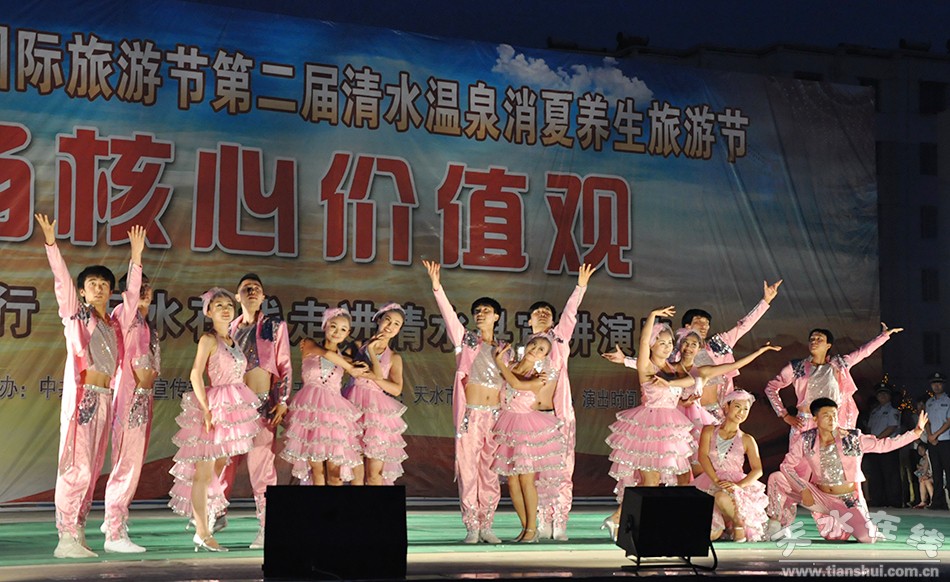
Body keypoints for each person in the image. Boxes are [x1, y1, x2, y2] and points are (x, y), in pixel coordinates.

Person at [602, 306, 779, 539]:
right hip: (650, 426)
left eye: (669, 343)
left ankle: (644, 521)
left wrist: (760, 352)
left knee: (675, 479)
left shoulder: (675, 370)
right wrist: (653, 316)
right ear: (653, 345)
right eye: (662, 343)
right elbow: (643, 343)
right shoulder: (647, 366)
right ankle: (622, 520)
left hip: (674, 429)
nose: (667, 347)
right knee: (651, 480)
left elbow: (730, 367)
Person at [36, 214, 144, 559]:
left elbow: (132, 298)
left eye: (103, 284)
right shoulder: (76, 315)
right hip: (83, 399)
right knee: (76, 468)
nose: (98, 287)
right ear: (83, 291)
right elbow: (61, 281)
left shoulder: (114, 322)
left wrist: (136, 258)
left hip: (105, 400)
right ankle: (65, 537)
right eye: (92, 283)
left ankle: (78, 531)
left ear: (110, 291)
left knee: (93, 469)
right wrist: (51, 244)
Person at [602, 280, 781, 423]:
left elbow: (743, 327)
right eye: (698, 322)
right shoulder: (677, 352)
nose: (704, 326)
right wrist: (625, 360)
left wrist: (765, 301)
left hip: (718, 411)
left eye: (707, 323)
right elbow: (653, 365)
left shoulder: (719, 345)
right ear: (687, 326)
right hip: (688, 410)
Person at [168, 288, 261, 552]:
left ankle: (204, 516)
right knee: (204, 471)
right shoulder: (209, 339)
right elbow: (195, 374)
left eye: (229, 305)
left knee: (218, 468)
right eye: (218, 305)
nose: (225, 309)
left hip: (231, 409)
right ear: (208, 312)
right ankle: (202, 532)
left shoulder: (233, 340)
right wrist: (206, 410)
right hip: (213, 407)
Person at [424, 259, 509, 544]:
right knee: (468, 469)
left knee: (490, 471)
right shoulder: (467, 341)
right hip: (471, 415)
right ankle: (472, 525)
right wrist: (437, 287)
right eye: (477, 311)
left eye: (486, 310)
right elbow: (449, 316)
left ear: (497, 316)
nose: (480, 314)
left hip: (495, 417)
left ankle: (487, 524)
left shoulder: (504, 349)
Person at [766, 397, 928, 542]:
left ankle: (858, 524)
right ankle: (777, 524)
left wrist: (915, 433)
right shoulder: (806, 439)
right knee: (777, 478)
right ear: (815, 418)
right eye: (826, 415)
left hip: (846, 500)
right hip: (819, 496)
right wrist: (803, 489)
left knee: (864, 538)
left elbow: (884, 445)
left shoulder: (852, 438)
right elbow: (786, 466)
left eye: (834, 415)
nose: (832, 419)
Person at [220, 273, 293, 549]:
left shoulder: (274, 327)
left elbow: (284, 365)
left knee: (262, 470)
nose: (252, 291)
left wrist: (282, 400)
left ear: (263, 297)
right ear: (237, 296)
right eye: (246, 288)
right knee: (223, 464)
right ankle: (215, 513)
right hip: (233, 407)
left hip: (263, 406)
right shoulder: (228, 329)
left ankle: (266, 528)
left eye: (256, 288)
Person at [528, 263, 595, 541]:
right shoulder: (524, 350)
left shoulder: (559, 338)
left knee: (563, 469)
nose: (542, 314)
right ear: (529, 321)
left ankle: (560, 521)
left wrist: (580, 287)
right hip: (533, 418)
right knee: (537, 471)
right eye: (537, 312)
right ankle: (543, 519)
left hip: (560, 415)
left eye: (547, 312)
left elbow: (570, 313)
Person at [764, 324, 903, 443]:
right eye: (812, 339)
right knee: (800, 463)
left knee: (833, 462)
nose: (814, 341)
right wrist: (785, 415)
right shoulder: (796, 367)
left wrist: (884, 336)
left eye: (819, 339)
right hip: (805, 423)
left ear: (828, 345)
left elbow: (863, 352)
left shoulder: (838, 365)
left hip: (833, 424)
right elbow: (771, 388)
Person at [101, 270, 159, 553]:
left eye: (148, 286)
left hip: (143, 398)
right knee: (126, 464)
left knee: (131, 463)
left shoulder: (145, 322)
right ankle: (114, 532)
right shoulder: (124, 313)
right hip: (128, 396)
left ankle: (112, 518)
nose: (144, 290)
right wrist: (137, 257)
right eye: (139, 286)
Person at [491, 339, 567, 543]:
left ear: (544, 356)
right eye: (534, 345)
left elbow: (516, 384)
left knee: (526, 479)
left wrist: (499, 364)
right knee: (512, 480)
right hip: (509, 425)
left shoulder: (539, 376)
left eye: (541, 349)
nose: (535, 350)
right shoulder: (511, 366)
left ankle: (532, 528)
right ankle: (526, 527)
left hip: (526, 428)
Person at [281, 307, 367, 486]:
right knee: (316, 470)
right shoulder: (309, 344)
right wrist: (350, 368)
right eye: (333, 326)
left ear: (348, 333)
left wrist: (367, 354)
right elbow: (327, 354)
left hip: (334, 416)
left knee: (335, 473)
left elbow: (371, 373)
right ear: (325, 325)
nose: (337, 332)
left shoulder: (345, 360)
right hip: (311, 412)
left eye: (343, 329)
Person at [344, 302, 409, 486]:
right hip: (353, 405)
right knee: (355, 473)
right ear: (378, 320)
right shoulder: (357, 346)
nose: (390, 326)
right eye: (387, 320)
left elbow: (396, 389)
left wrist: (374, 377)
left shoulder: (394, 357)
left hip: (377, 412)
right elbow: (342, 364)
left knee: (374, 475)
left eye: (396, 324)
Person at [694, 390, 769, 542]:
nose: (741, 412)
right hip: (711, 480)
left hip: (735, 484)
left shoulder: (747, 439)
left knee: (721, 496)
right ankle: (724, 527)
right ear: (726, 407)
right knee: (710, 535)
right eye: (737, 407)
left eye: (746, 409)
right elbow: (703, 457)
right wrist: (715, 480)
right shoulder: (709, 431)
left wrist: (738, 486)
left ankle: (737, 523)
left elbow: (758, 470)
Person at [862, 384, 902, 507]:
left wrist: (877, 439)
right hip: (874, 447)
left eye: (885, 393)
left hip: (887, 445)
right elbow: (869, 428)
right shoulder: (874, 411)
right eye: (880, 394)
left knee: (890, 474)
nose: (882, 396)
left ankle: (893, 501)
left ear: (889, 396)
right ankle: (878, 500)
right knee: (876, 474)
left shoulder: (893, 411)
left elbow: (892, 427)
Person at [924, 371, 950, 510]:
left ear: (943, 385)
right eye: (934, 383)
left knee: (948, 471)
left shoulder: (948, 400)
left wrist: (935, 435)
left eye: (939, 383)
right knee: (936, 472)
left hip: (945, 440)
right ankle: (938, 502)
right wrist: (930, 435)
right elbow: (926, 421)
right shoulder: (929, 402)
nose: (936, 386)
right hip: (932, 441)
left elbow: (948, 422)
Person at [914, 443, 934, 508]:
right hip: (927, 475)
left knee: (927, 481)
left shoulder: (930, 457)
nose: (920, 451)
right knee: (922, 481)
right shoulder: (921, 459)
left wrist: (927, 475)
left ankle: (933, 500)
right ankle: (923, 501)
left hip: (933, 476)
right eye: (919, 450)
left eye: (922, 450)